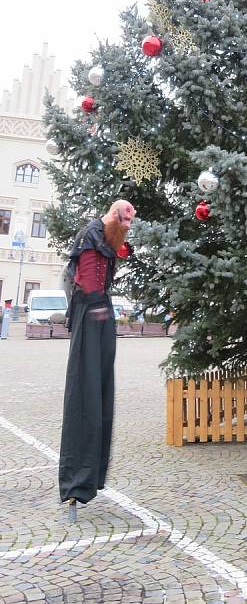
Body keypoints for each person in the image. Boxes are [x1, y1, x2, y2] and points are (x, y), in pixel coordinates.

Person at [58, 200, 136, 505]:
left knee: (101, 391)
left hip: (101, 311)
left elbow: (112, 259)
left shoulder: (105, 236)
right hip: (90, 311)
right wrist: (97, 306)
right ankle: (77, 481)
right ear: (115, 217)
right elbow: (88, 279)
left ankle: (93, 476)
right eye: (125, 226)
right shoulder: (90, 235)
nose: (126, 233)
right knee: (85, 391)